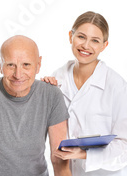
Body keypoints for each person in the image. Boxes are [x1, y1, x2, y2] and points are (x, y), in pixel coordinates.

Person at [0, 35, 70, 176]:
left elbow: (59, 160)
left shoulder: (52, 94)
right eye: (10, 65)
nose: (18, 75)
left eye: (26, 65)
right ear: (0, 64)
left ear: (38, 65)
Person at [41, 11, 127, 175]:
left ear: (104, 45)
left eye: (95, 40)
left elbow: (125, 147)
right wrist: (43, 91)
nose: (86, 46)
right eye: (81, 37)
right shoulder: (57, 78)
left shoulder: (118, 87)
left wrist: (84, 154)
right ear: (70, 36)